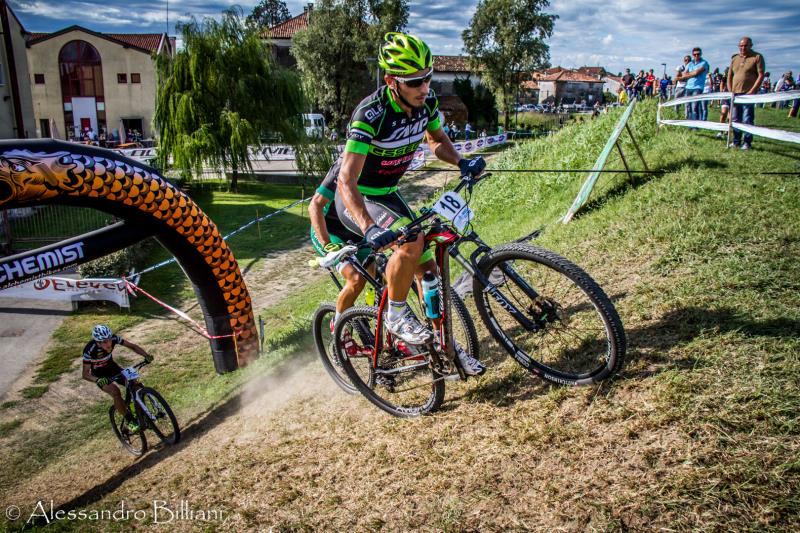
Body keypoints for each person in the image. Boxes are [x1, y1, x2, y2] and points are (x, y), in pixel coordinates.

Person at [329, 32, 486, 375]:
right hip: (361, 197)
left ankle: (450, 350)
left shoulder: (426, 104)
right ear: (391, 81)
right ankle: (395, 313)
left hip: (389, 194)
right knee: (410, 241)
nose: (424, 87)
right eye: (415, 81)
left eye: (428, 77)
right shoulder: (370, 114)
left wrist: (461, 162)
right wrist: (368, 227)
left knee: (428, 270)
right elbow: (346, 180)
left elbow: (437, 141)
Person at [82, 325, 153, 432]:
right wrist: (97, 380)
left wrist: (146, 355)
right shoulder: (89, 350)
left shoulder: (114, 339)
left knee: (136, 385)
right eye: (105, 342)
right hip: (100, 375)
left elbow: (132, 346)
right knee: (115, 392)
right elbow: (85, 374)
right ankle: (129, 420)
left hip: (113, 368)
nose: (109, 343)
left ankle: (138, 412)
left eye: (109, 339)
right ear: (98, 342)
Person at [727, 36, 765, 150]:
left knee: (747, 118)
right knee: (734, 118)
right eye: (741, 46)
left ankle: (747, 142)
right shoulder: (735, 58)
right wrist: (730, 90)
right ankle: (736, 141)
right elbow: (730, 75)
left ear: (750, 45)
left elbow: (761, 75)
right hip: (735, 93)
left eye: (745, 45)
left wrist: (752, 91)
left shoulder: (757, 57)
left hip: (748, 93)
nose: (743, 48)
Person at [678, 47, 709, 121]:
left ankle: (695, 124)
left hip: (697, 87)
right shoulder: (690, 63)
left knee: (694, 106)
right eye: (694, 54)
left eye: (698, 54)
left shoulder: (704, 63)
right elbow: (684, 74)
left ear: (701, 54)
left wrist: (690, 74)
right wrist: (691, 74)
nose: (696, 56)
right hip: (688, 86)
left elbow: (696, 73)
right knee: (688, 106)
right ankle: (689, 123)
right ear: (692, 55)